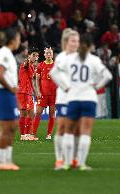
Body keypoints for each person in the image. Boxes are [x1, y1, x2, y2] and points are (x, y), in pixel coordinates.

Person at [50, 35, 113, 171]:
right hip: (89, 98)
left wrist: (66, 86)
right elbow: (108, 76)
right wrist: (96, 87)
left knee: (68, 131)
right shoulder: (94, 60)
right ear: (91, 46)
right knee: (85, 132)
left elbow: (53, 72)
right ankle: (81, 163)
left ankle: (66, 163)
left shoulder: (70, 59)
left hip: (72, 98)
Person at [0, 27, 21, 170]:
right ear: (13, 39)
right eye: (18, 38)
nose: (19, 41)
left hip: (7, 93)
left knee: (12, 126)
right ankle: (1, 162)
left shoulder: (8, 53)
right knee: (6, 127)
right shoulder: (4, 53)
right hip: (3, 92)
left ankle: (7, 160)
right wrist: (11, 89)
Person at [51, 28, 80, 170]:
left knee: (77, 130)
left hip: (78, 98)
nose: (76, 44)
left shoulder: (82, 57)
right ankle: (59, 160)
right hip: (63, 98)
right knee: (62, 128)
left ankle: (74, 159)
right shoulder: (61, 57)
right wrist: (67, 87)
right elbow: (54, 75)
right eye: (73, 41)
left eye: (77, 41)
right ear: (67, 42)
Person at [32, 47, 57, 140]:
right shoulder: (40, 65)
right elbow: (36, 80)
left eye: (50, 53)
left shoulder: (57, 66)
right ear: (44, 55)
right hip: (43, 93)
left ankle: (49, 134)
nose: (49, 55)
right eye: (47, 53)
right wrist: (38, 91)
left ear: (52, 54)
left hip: (54, 94)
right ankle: (33, 133)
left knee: (52, 114)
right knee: (38, 112)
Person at [17, 47, 39, 141]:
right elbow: (25, 64)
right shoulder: (25, 63)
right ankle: (23, 135)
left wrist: (36, 93)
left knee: (31, 114)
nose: (35, 57)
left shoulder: (32, 66)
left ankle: (28, 134)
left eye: (37, 55)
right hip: (23, 92)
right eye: (33, 55)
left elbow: (32, 82)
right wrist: (27, 60)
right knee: (24, 113)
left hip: (29, 92)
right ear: (29, 55)